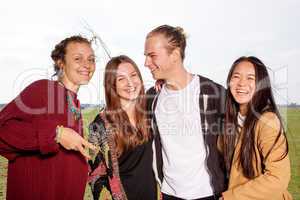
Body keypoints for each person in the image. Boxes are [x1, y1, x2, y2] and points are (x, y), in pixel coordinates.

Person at [0, 35, 97, 200]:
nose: (86, 65)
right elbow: (2, 131)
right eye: (77, 58)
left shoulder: (74, 103)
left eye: (91, 59)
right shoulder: (43, 90)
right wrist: (56, 135)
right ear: (61, 62)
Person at [144, 24, 226, 200]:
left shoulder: (212, 92)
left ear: (174, 55)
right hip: (169, 194)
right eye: (146, 56)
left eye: (152, 56)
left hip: (210, 194)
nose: (146, 63)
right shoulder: (152, 97)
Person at [219, 56, 292, 200]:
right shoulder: (229, 121)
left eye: (250, 78)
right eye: (236, 77)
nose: (241, 84)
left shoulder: (267, 121)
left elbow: (278, 178)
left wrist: (230, 197)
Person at [88, 55, 157, 200]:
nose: (130, 83)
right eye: (121, 79)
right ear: (112, 85)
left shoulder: (150, 110)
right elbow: (95, 176)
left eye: (133, 75)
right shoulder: (100, 124)